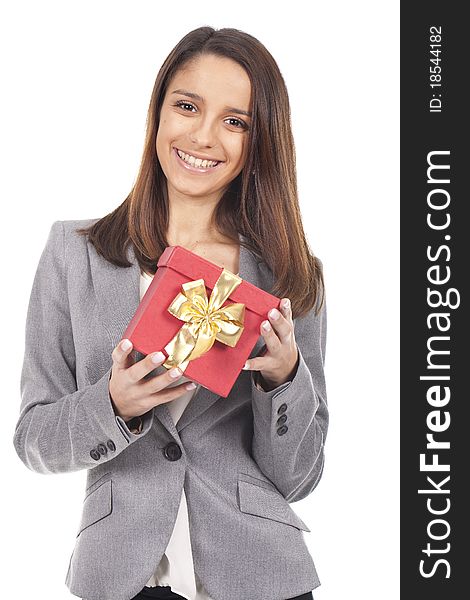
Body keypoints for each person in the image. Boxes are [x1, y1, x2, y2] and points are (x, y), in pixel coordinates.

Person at [13, 26, 328, 600]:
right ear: (158, 112)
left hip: (261, 573)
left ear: (261, 142)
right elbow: (34, 437)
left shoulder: (289, 274)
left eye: (236, 122)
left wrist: (284, 379)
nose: (204, 136)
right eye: (188, 106)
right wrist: (113, 405)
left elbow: (299, 477)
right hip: (120, 575)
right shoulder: (71, 255)